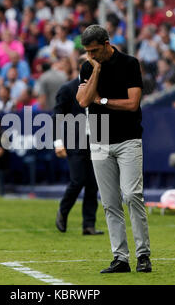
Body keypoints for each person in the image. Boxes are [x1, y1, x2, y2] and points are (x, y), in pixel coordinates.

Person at [76, 25, 151, 273]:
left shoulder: (129, 63)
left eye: (95, 50)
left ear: (107, 43)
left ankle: (143, 255)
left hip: (128, 138)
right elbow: (85, 101)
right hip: (99, 140)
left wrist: (104, 101)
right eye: (88, 52)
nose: (91, 55)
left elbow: (132, 103)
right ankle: (120, 258)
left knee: (131, 195)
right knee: (109, 203)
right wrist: (96, 69)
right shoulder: (88, 67)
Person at [53, 54, 103, 236]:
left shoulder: (102, 88)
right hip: (76, 141)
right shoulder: (67, 89)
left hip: (97, 138)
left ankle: (88, 225)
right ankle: (63, 210)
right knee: (78, 180)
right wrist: (58, 142)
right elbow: (57, 118)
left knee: (93, 183)